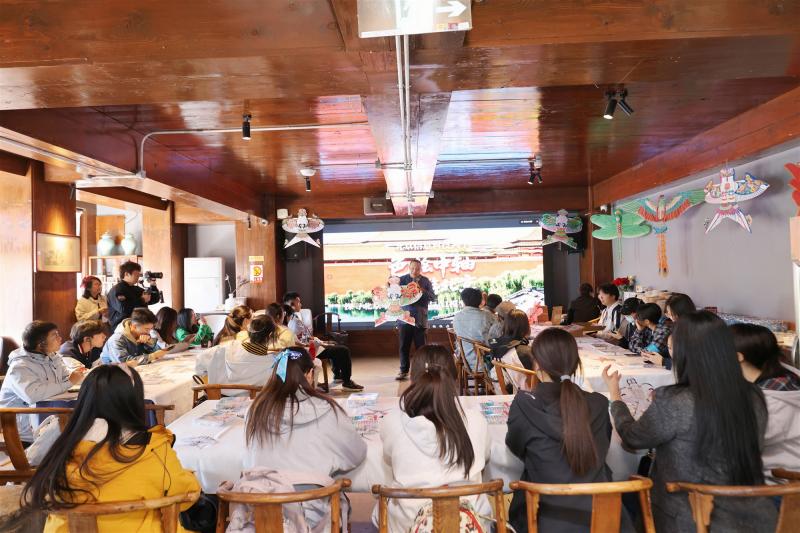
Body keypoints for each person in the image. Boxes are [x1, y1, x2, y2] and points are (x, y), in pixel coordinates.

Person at [603, 311, 776, 532]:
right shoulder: (754, 395)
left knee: (623, 498)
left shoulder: (675, 399)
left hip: (687, 517)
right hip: (753, 517)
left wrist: (615, 396)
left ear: (685, 353)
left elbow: (633, 438)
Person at [23, 364, 200, 532]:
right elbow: (186, 494)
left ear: (84, 398)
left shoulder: (62, 443)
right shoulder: (154, 450)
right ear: (134, 402)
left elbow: (31, 462)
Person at [507, 328, 623, 533]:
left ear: (537, 365)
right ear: (576, 363)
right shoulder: (598, 403)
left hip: (542, 520)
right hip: (602, 520)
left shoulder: (524, 404)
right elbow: (603, 445)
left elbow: (515, 446)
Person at [244, 347, 366, 528]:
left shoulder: (255, 410)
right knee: (340, 498)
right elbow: (355, 454)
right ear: (309, 374)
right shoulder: (327, 409)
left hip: (261, 514)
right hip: (312, 514)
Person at [377, 345, 491, 532]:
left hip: (407, 524)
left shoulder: (393, 422)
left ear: (412, 379)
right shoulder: (476, 420)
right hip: (469, 524)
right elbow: (485, 456)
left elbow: (389, 459)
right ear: (455, 380)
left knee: (382, 504)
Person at [731, 323, 800, 482]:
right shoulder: (784, 377)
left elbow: (739, 445)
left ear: (738, 357)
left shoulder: (773, 401)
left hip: (783, 484)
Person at [0, 322, 85, 444]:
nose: (60, 338)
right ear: (40, 344)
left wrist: (83, 376)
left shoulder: (52, 357)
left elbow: (66, 377)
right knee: (76, 434)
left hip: (47, 415)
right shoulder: (20, 366)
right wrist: (69, 382)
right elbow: (33, 395)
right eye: (55, 336)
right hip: (23, 428)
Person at [284, 292, 363, 391]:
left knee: (335, 345)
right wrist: (323, 344)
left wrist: (322, 342)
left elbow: (307, 337)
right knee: (343, 350)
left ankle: (338, 376)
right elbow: (305, 341)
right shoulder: (293, 322)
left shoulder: (293, 318)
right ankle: (347, 382)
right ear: (291, 304)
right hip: (308, 351)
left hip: (310, 347)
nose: (301, 304)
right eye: (298, 302)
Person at [396, 259, 436, 380]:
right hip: (405, 318)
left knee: (421, 347)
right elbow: (394, 296)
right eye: (413, 268)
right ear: (409, 267)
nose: (415, 271)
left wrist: (423, 291)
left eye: (417, 269)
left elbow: (433, 297)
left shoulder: (425, 281)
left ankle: (422, 371)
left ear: (420, 269)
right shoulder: (401, 280)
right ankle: (403, 371)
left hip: (420, 318)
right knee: (404, 346)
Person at [100, 307, 168, 365]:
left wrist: (149, 343)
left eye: (150, 329)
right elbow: (126, 362)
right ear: (134, 326)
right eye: (147, 329)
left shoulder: (143, 334)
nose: (149, 332)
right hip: (111, 373)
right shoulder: (117, 339)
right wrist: (153, 356)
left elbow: (159, 354)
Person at [452, 287, 494, 371]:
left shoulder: (457, 317)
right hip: (486, 363)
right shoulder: (486, 315)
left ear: (464, 301)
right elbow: (495, 336)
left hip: (466, 361)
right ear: (480, 301)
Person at [105, 261, 154, 330]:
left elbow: (153, 299)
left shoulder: (136, 288)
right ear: (126, 274)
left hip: (138, 324)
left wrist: (153, 285)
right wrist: (142, 300)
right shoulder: (117, 289)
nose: (138, 277)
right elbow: (123, 308)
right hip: (122, 327)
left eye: (139, 275)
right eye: (136, 275)